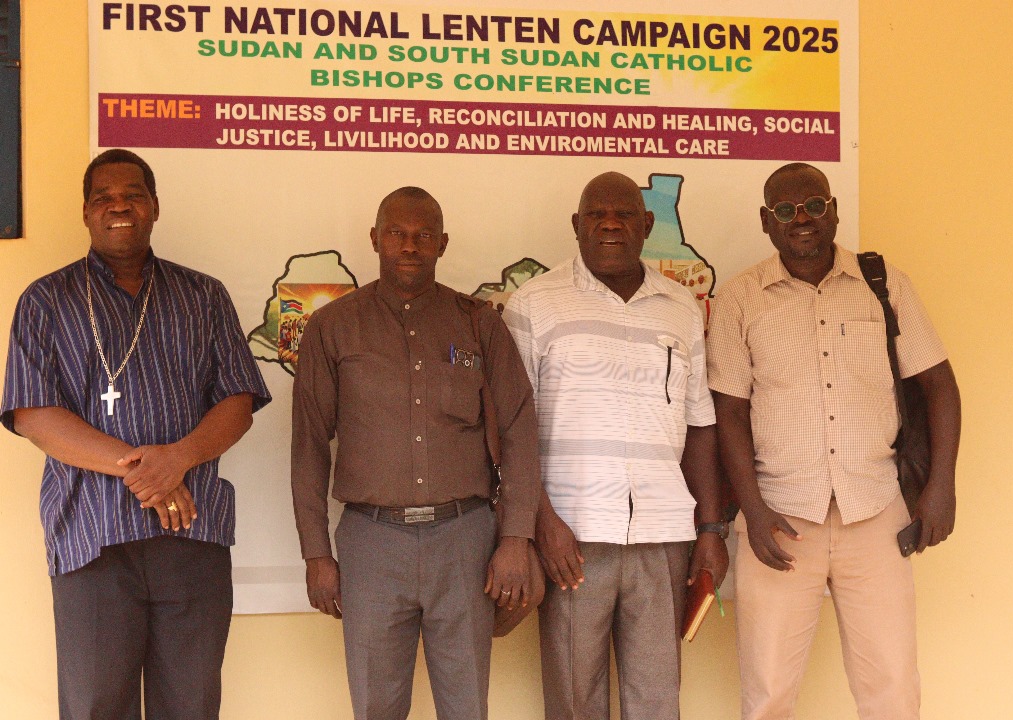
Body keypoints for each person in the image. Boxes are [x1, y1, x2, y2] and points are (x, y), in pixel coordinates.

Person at [0, 148, 271, 719]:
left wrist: (177, 461)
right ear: (85, 212)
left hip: (191, 536)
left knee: (191, 706)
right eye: (103, 197)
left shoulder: (203, 296)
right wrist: (147, 470)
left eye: (132, 195)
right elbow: (33, 416)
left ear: (154, 207)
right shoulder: (45, 301)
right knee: (97, 706)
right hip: (91, 538)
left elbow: (238, 403)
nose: (118, 206)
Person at [708, 162, 961, 719]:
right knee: (768, 691)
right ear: (765, 223)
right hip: (779, 517)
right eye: (785, 210)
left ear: (834, 211)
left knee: (892, 689)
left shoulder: (884, 284)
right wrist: (751, 509)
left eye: (814, 206)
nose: (802, 219)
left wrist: (941, 485)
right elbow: (728, 413)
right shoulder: (739, 299)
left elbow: (939, 386)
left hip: (875, 511)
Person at [290, 186, 541, 720]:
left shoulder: (479, 322)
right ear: (375, 238)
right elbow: (309, 447)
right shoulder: (332, 328)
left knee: (466, 706)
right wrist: (316, 554)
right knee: (376, 708)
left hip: (466, 541)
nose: (410, 245)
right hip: (371, 545)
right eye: (397, 234)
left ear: (442, 243)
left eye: (423, 235)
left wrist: (516, 538)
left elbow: (519, 429)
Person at [503, 171, 728, 720]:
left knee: (657, 701)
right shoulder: (534, 304)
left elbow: (700, 426)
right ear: (576, 225)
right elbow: (510, 429)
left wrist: (711, 529)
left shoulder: (681, 308)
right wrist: (542, 521)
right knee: (575, 702)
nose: (609, 223)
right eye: (596, 214)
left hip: (663, 537)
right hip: (572, 539)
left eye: (624, 214)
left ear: (647, 224)